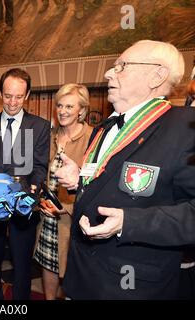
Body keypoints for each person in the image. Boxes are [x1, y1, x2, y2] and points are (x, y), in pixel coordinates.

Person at [55, 40, 195, 299]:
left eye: (121, 66)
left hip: (130, 285)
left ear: (157, 75)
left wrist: (129, 222)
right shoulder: (105, 127)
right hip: (82, 275)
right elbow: (105, 179)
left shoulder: (187, 128)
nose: (109, 73)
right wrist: (80, 180)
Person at [0, 68, 50, 299]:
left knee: (22, 265)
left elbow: (40, 166)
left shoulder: (39, 126)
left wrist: (33, 190)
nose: (12, 102)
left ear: (27, 95)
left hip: (24, 208)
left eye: (18, 96)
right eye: (8, 95)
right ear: (1, 93)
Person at [33, 84, 93, 300]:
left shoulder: (93, 137)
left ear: (82, 110)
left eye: (69, 106)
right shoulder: (50, 135)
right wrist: (41, 201)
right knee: (48, 264)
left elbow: (95, 183)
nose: (63, 111)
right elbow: (40, 172)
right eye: (59, 105)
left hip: (73, 218)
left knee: (73, 269)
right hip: (47, 214)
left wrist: (64, 208)